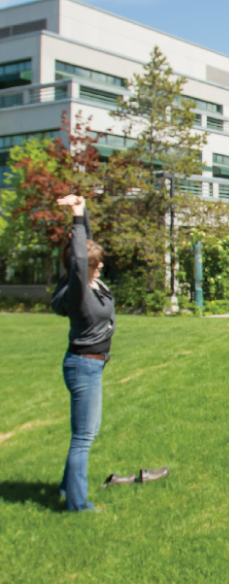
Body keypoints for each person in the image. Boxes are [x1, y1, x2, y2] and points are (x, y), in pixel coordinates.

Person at [56, 193, 115, 512]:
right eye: (97, 262)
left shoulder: (88, 283)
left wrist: (83, 215)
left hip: (90, 366)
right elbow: (80, 258)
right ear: (85, 268)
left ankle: (67, 489)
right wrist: (77, 216)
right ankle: (77, 504)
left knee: (86, 432)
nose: (102, 263)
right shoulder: (78, 292)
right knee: (83, 437)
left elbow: (84, 250)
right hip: (84, 366)